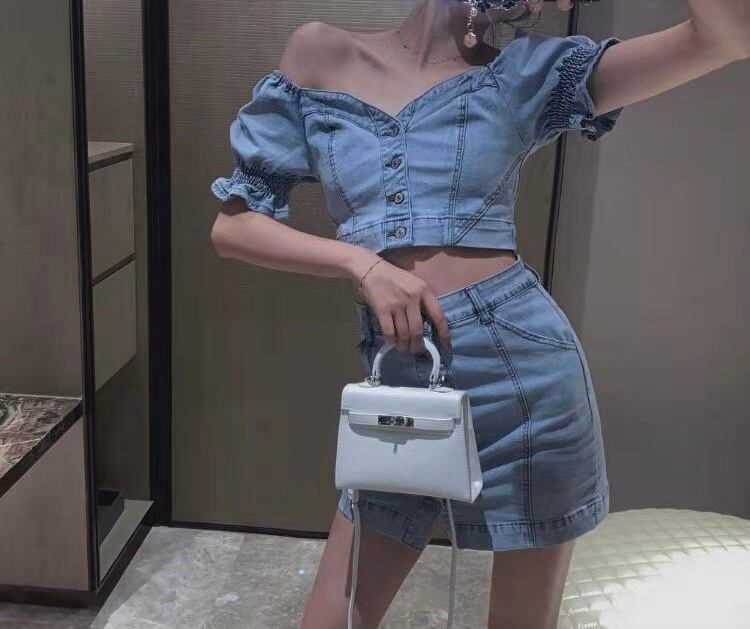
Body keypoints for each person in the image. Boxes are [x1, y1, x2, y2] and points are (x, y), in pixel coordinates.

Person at [209, 1, 749, 626]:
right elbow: (234, 228)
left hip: (530, 386)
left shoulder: (529, 74)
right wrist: (362, 265)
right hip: (402, 389)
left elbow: (728, 37)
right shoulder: (320, 52)